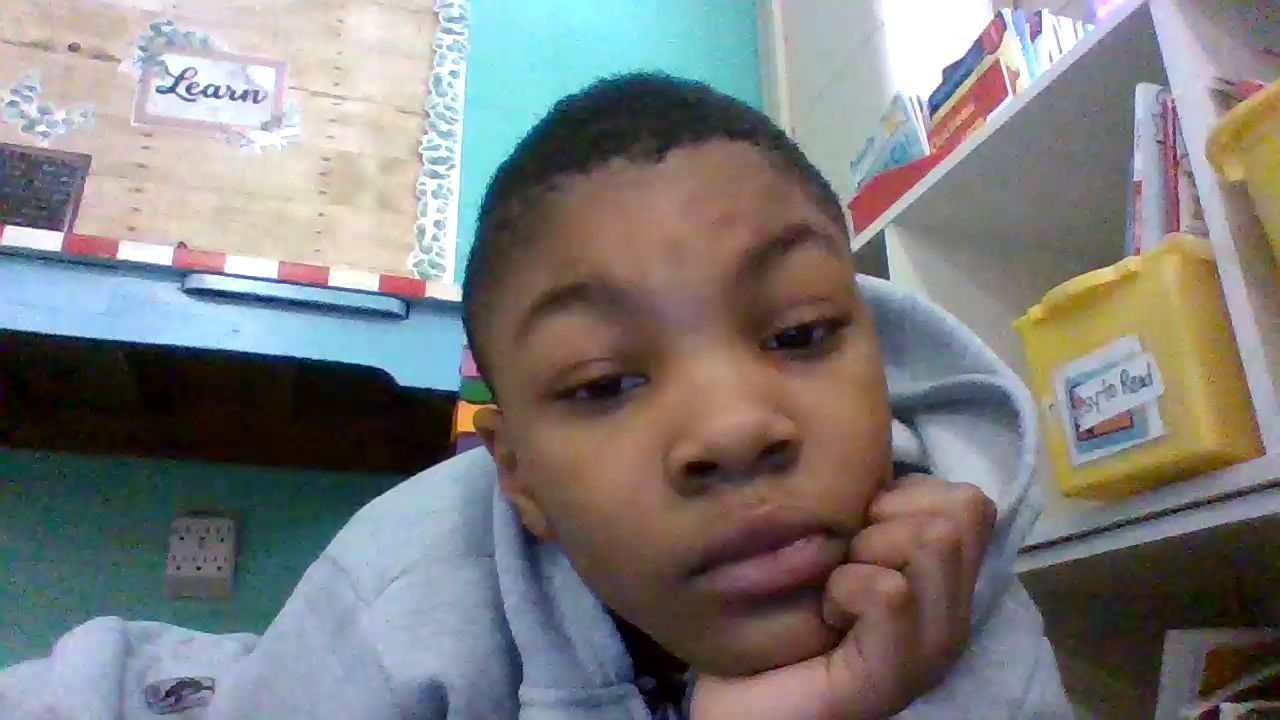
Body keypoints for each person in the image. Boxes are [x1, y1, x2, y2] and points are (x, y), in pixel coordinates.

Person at [0, 73, 1071, 719]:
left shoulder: (950, 592)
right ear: (517, 476)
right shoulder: (402, 601)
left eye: (797, 334)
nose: (735, 429)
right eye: (605, 382)